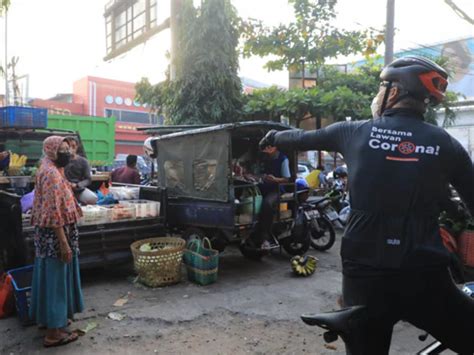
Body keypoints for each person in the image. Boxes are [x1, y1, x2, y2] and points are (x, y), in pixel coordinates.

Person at [259, 56, 474, 354]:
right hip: (424, 274)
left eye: (382, 87)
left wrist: (273, 137)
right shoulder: (447, 144)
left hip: (363, 275)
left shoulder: (354, 131)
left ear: (395, 91)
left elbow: (302, 138)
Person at [29, 136, 84, 348]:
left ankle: (53, 320)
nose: (67, 153)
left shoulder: (50, 167)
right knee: (56, 280)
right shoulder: (51, 173)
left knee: (52, 277)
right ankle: (54, 334)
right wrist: (63, 242)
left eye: (68, 149)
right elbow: (53, 212)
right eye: (62, 150)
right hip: (55, 234)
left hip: (51, 233)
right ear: (52, 151)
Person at [257, 145, 291, 249]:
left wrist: (275, 179)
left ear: (275, 147)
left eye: (269, 147)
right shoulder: (265, 158)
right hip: (264, 187)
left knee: (267, 204)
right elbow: (261, 172)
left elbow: (286, 179)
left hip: (276, 190)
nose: (266, 150)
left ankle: (265, 237)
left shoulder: (283, 159)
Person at [64, 137, 98, 205]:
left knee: (92, 198)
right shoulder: (60, 161)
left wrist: (77, 185)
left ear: (77, 147)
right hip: (63, 189)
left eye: (73, 146)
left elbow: (88, 179)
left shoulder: (83, 161)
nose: (71, 148)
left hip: (78, 189)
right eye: (69, 146)